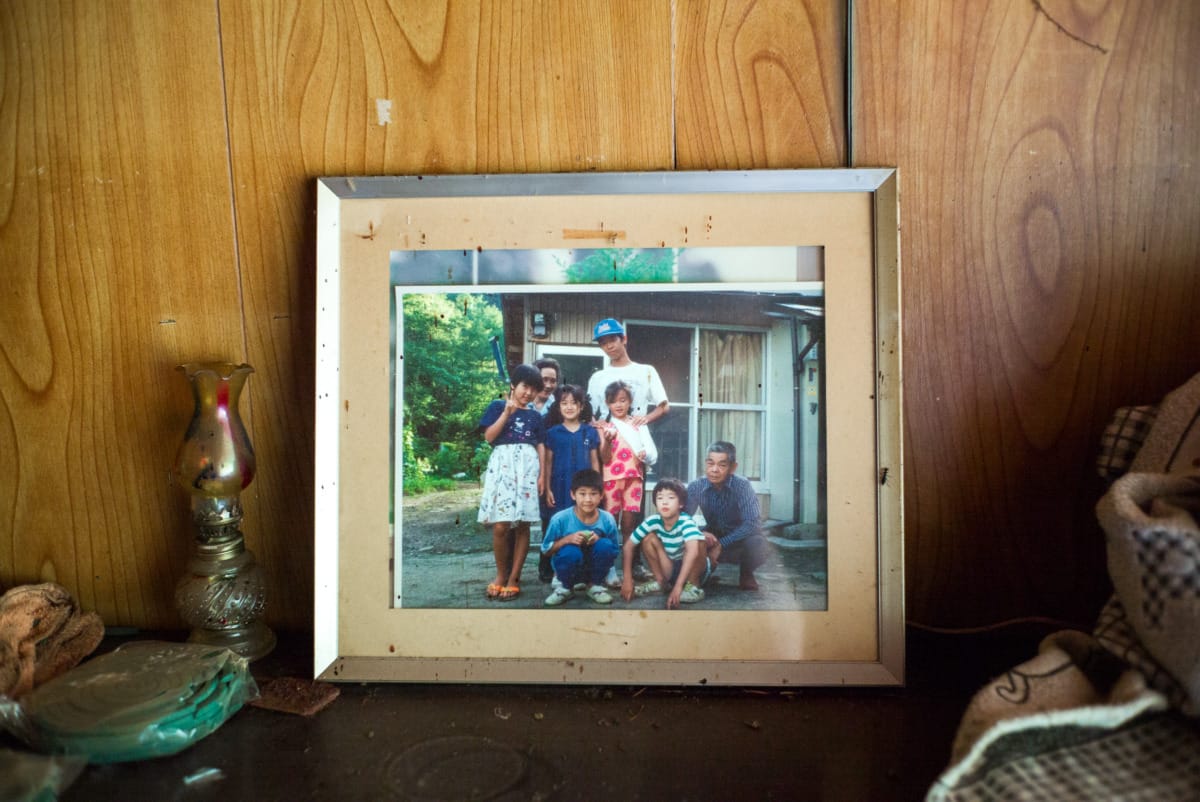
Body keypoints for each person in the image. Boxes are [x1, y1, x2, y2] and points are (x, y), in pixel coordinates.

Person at [477, 364, 546, 602]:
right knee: (501, 526)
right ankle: (500, 575)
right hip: (502, 470)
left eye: (534, 389)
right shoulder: (497, 406)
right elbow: (489, 437)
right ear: (513, 385)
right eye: (525, 386)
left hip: (527, 470)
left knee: (524, 525)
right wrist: (507, 412)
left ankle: (514, 578)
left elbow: (540, 446)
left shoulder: (536, 416)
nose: (528, 393)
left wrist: (542, 476)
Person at [537, 384, 601, 583]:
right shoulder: (552, 433)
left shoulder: (589, 432)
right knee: (556, 524)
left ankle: (583, 570)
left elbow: (595, 461)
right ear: (558, 407)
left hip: (585, 489)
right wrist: (547, 488)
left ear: (581, 406)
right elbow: (547, 463)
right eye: (564, 403)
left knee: (583, 523)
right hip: (559, 487)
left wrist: (598, 487)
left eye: (574, 403)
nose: (569, 407)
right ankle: (549, 567)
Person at [685, 441, 769, 591]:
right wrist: (699, 533)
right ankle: (703, 572)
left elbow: (752, 523)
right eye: (710, 464)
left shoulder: (742, 486)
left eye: (722, 465)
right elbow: (683, 518)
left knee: (758, 542)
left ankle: (746, 573)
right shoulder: (696, 486)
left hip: (739, 537)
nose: (714, 470)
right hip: (713, 533)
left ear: (732, 467)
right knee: (690, 538)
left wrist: (721, 544)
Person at [598, 380, 657, 587]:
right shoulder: (604, 426)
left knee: (629, 525)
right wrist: (606, 439)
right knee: (610, 524)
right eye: (614, 401)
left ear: (630, 401)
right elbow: (604, 458)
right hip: (611, 481)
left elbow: (651, 454)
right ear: (607, 403)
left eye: (623, 400)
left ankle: (629, 568)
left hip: (634, 480)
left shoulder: (638, 424)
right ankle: (609, 569)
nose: (619, 405)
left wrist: (645, 454)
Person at [620, 478, 708, 609]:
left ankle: (693, 587)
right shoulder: (653, 520)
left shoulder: (686, 521)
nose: (665, 502)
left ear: (681, 503)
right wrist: (627, 579)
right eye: (660, 498)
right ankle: (661, 583)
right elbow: (628, 546)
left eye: (671, 498)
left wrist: (678, 588)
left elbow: (693, 552)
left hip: (693, 568)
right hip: (671, 566)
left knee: (698, 541)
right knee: (648, 538)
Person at [540, 469, 620, 606]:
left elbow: (614, 551)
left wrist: (599, 538)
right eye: (582, 494)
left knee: (605, 545)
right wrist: (567, 539)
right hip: (568, 567)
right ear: (573, 494)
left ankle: (594, 587)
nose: (588, 499)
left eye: (593, 494)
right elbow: (546, 550)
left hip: (594, 568)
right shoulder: (560, 519)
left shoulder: (607, 519)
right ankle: (565, 588)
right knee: (570, 551)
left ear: (601, 495)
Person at [586, 319, 668, 426]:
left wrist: (646, 418)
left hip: (636, 433)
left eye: (612, 340)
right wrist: (596, 424)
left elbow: (664, 406)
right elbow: (588, 412)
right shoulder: (597, 377)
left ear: (624, 339)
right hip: (608, 435)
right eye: (603, 343)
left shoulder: (646, 371)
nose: (609, 346)